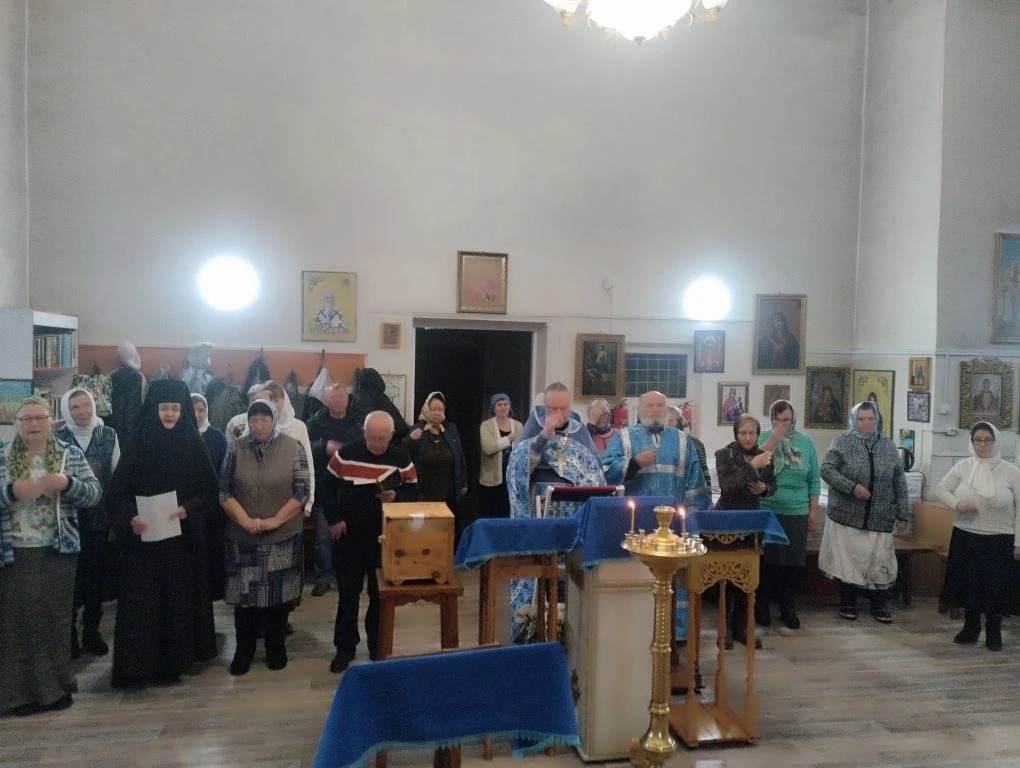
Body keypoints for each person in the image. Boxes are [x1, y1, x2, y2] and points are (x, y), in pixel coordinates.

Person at [108, 379, 219, 688]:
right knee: (144, 606)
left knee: (177, 603)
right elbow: (116, 494)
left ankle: (176, 662)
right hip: (143, 545)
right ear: (153, 410)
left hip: (181, 545)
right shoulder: (138, 443)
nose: (169, 414)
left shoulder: (193, 444)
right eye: (163, 408)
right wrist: (130, 516)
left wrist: (188, 509)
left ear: (183, 411)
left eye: (175, 408)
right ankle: (140, 666)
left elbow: (210, 493)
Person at [0, 396, 102, 716]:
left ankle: (55, 690)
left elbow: (94, 494)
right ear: (16, 424)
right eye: (26, 419)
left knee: (55, 622)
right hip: (14, 553)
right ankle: (18, 696)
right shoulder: (3, 455)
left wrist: (66, 483)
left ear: (51, 422)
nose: (33, 424)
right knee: (15, 625)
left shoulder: (69, 454)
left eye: (40, 418)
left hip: (59, 551)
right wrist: (13, 491)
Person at [602, 391, 711, 646]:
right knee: (637, 578)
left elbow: (695, 485)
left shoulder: (683, 441)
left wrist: (692, 522)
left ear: (666, 409)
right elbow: (604, 472)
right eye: (649, 405)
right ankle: (636, 631)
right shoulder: (624, 438)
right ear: (640, 409)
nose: (654, 409)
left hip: (674, 527)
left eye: (659, 405)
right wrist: (634, 463)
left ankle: (676, 632)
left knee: (676, 580)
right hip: (635, 526)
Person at [218, 399, 310, 674]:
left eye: (264, 419)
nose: (258, 425)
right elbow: (224, 491)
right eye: (254, 419)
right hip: (243, 537)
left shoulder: (293, 447)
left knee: (278, 600)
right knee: (244, 599)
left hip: (282, 536)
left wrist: (275, 521)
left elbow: (302, 491)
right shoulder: (235, 448)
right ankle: (243, 652)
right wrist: (245, 521)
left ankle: (275, 648)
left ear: (274, 420)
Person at [323, 411, 418, 673]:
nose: (377, 443)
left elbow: (415, 492)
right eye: (372, 438)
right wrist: (334, 520)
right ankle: (345, 648)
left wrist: (397, 497)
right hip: (349, 537)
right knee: (348, 595)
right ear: (364, 433)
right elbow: (326, 487)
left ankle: (378, 647)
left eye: (382, 439)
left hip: (384, 539)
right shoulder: (346, 454)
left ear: (391, 435)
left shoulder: (401, 458)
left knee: (379, 597)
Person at [818, 401, 909, 623]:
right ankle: (848, 602)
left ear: (877, 419)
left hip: (880, 516)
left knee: (879, 560)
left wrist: (903, 512)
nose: (866, 423)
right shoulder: (842, 442)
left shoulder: (888, 446)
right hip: (848, 516)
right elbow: (826, 469)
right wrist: (852, 488)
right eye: (861, 419)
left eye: (870, 418)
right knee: (850, 561)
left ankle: (879, 604)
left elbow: (899, 480)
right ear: (854, 420)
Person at [934, 421, 1020, 651]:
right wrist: (957, 504)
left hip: (1000, 538)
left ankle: (994, 631)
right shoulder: (963, 466)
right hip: (966, 535)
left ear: (996, 441)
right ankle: (971, 628)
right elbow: (940, 490)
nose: (982, 445)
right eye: (977, 440)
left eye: (988, 440)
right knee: (969, 584)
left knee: (995, 586)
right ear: (971, 442)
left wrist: (1019, 542)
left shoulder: (1011, 471)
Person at [54, 387, 121, 657]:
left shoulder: (109, 434)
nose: (82, 411)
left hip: (100, 519)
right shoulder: (58, 437)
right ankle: (68, 635)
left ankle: (91, 632)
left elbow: (117, 476)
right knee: (70, 580)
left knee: (96, 579)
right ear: (66, 411)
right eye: (75, 407)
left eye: (86, 405)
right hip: (66, 520)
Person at [756, 400, 821, 630]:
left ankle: (788, 608)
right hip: (767, 509)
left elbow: (814, 478)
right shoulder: (763, 437)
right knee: (767, 562)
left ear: (793, 419)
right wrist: (774, 439)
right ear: (771, 419)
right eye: (778, 419)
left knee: (792, 564)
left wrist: (813, 510)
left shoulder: (805, 442)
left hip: (797, 510)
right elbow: (754, 466)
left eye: (787, 419)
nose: (783, 424)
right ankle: (762, 607)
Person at [715, 412, 776, 647]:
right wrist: (752, 466)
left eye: (752, 433)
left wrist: (765, 489)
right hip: (728, 519)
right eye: (743, 433)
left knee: (747, 575)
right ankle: (724, 630)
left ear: (758, 434)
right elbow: (728, 485)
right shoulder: (724, 454)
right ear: (736, 434)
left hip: (752, 520)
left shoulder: (765, 456)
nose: (748, 437)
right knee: (726, 576)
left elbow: (773, 484)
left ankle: (741, 627)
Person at [506, 382, 604, 520]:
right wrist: (544, 435)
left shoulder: (579, 430)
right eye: (553, 408)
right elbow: (518, 467)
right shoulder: (535, 426)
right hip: (541, 503)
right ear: (545, 407)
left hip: (573, 507)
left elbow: (595, 473)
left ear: (569, 406)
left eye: (563, 408)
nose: (559, 413)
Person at [306, 384, 361, 596]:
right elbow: (305, 447)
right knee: (323, 535)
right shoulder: (315, 422)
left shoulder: (358, 422)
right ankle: (323, 577)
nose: (338, 401)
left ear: (347, 399)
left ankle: (349, 575)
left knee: (352, 534)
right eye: (334, 398)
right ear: (326, 400)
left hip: (351, 486)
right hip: (325, 485)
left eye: (341, 397)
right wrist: (324, 446)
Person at [404, 392, 468, 537]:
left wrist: (464, 482)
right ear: (426, 409)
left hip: (449, 493)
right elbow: (404, 456)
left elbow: (460, 456)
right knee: (427, 534)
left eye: (440, 409)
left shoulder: (451, 429)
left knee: (448, 533)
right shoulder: (416, 430)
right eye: (433, 409)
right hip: (424, 492)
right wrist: (410, 440)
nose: (437, 413)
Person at [192, 393, 228, 601]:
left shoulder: (216, 436)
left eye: (201, 410)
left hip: (213, 506)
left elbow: (225, 469)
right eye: (193, 410)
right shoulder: (183, 435)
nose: (197, 415)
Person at [478, 393, 524, 519]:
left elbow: (523, 449)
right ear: (493, 408)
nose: (503, 407)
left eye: (505, 404)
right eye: (499, 405)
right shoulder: (486, 425)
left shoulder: (518, 426)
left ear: (509, 407)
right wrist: (508, 439)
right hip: (493, 480)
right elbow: (488, 448)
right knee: (492, 515)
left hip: (512, 478)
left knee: (509, 514)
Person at [668, 406, 709, 484]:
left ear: (679, 422)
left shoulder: (695, 443)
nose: (666, 424)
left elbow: (704, 473)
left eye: (670, 421)